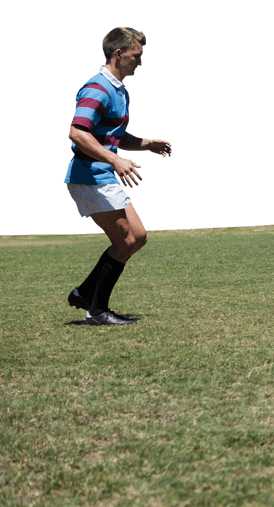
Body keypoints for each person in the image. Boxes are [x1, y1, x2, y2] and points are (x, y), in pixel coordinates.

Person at [64, 27, 172, 325]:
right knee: (128, 239)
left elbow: (113, 135)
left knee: (136, 238)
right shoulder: (98, 88)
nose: (140, 62)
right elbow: (77, 131)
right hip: (90, 176)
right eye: (136, 56)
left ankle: (85, 294)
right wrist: (114, 159)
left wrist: (147, 144)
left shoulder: (118, 89)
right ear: (118, 53)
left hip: (101, 174)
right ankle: (97, 310)